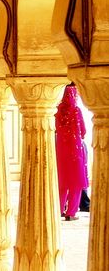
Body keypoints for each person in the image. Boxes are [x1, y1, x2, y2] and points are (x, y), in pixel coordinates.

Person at [55, 83, 88, 221]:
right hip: (75, 151)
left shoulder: (57, 111)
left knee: (62, 182)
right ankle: (71, 213)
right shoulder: (76, 111)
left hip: (61, 150)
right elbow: (83, 131)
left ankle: (59, 210)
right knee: (75, 182)